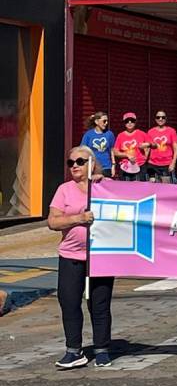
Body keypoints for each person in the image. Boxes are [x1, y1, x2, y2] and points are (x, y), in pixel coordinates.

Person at [47, 146, 114, 369]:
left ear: (91, 163)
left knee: (100, 304)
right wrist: (78, 218)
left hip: (101, 256)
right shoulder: (64, 189)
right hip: (70, 255)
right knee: (69, 302)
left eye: (80, 161)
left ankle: (102, 349)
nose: (74, 165)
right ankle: (74, 351)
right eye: (70, 163)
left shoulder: (105, 187)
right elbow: (53, 222)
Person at [113, 112, 149, 181]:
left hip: (140, 166)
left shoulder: (142, 134)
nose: (129, 123)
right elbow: (115, 152)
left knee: (139, 189)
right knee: (125, 189)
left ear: (135, 122)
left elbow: (152, 144)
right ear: (124, 123)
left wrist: (146, 155)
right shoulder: (120, 136)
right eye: (127, 121)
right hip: (125, 167)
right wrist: (127, 155)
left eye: (132, 121)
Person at [146, 110, 177, 183]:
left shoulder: (171, 131)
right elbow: (147, 148)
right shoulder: (150, 132)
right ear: (155, 119)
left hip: (166, 164)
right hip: (153, 164)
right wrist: (144, 161)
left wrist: (173, 163)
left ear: (166, 119)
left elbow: (176, 148)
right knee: (152, 186)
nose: (160, 119)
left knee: (165, 187)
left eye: (163, 117)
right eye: (158, 117)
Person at [79, 112, 116, 178]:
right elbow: (83, 151)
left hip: (106, 167)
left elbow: (112, 150)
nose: (106, 123)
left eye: (107, 121)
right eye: (104, 121)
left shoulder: (109, 134)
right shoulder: (88, 135)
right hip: (93, 167)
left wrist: (113, 166)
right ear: (96, 122)